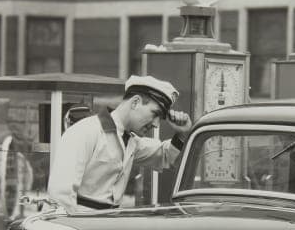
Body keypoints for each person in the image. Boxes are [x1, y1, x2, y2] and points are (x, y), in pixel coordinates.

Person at [47, 75, 192, 212]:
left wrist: (182, 133)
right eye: (155, 114)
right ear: (135, 102)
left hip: (107, 226)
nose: (156, 124)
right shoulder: (85, 131)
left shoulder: (131, 140)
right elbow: (60, 196)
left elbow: (164, 155)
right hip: (81, 228)